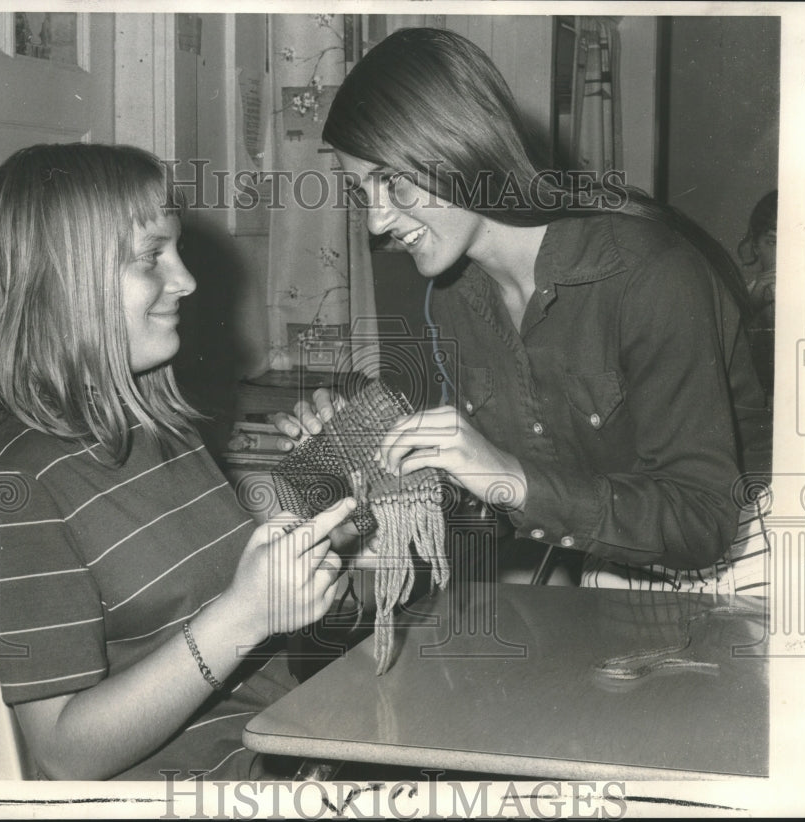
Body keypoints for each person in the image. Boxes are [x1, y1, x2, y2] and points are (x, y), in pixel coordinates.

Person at [274, 27, 772, 593]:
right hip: (612, 564)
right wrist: (358, 473)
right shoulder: (454, 300)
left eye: (393, 183)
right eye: (363, 192)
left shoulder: (650, 277)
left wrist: (505, 475)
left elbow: (703, 521)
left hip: (748, 559)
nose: (376, 222)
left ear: (461, 145)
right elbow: (492, 494)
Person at [0, 143, 356, 781]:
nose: (187, 280)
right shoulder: (16, 489)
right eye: (151, 257)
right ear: (66, 280)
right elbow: (64, 753)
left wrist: (328, 487)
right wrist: (243, 619)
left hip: (286, 761)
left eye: (178, 249)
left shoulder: (158, 427)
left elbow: (228, 597)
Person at [738, 190, 777, 398]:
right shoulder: (748, 296)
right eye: (773, 242)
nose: (785, 252)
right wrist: (752, 307)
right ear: (755, 246)